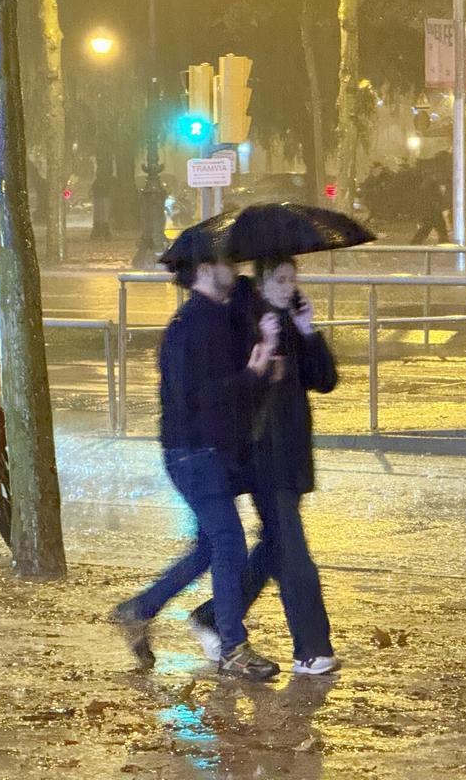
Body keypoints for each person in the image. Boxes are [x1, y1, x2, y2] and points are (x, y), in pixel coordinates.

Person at [110, 237, 283, 682]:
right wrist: (252, 372)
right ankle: (232, 648)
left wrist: (262, 359)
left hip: (211, 451)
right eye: (227, 261)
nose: (236, 268)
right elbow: (199, 398)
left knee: (210, 546)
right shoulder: (189, 327)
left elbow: (236, 385)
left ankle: (139, 609)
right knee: (227, 544)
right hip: (193, 452)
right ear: (205, 269)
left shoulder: (219, 317)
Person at [188, 254, 341, 676]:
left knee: (276, 546)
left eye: (293, 279)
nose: (289, 286)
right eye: (281, 279)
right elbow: (238, 387)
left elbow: (324, 380)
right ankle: (311, 648)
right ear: (261, 281)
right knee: (294, 554)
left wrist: (308, 331)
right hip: (261, 455)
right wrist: (265, 349)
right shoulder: (246, 321)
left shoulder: (290, 318)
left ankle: (213, 616)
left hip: (291, 452)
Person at [410, 163, 450, 245]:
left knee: (430, 226)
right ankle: (444, 240)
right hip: (433, 208)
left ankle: (416, 241)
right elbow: (436, 195)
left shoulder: (426, 183)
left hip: (430, 208)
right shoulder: (431, 183)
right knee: (437, 225)